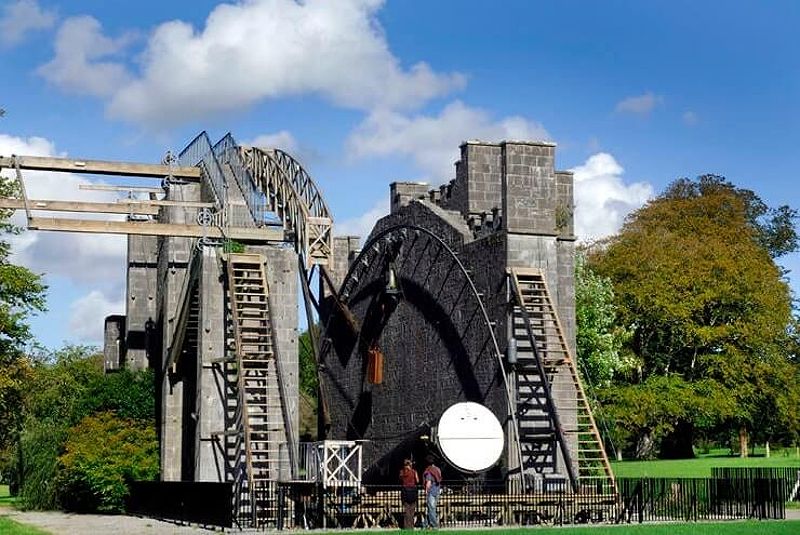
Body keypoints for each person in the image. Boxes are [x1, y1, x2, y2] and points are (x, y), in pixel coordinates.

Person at [399, 458, 419, 529]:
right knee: (412, 510)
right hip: (413, 491)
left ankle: (406, 526)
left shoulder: (402, 472)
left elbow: (400, 478)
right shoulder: (414, 472)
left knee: (406, 510)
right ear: (410, 464)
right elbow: (417, 480)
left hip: (405, 491)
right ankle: (411, 526)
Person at [423, 455, 442, 529]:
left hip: (431, 491)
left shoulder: (429, 471)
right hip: (437, 490)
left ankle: (434, 525)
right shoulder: (438, 469)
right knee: (431, 508)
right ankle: (426, 524)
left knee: (431, 509)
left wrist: (426, 491)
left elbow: (428, 482)